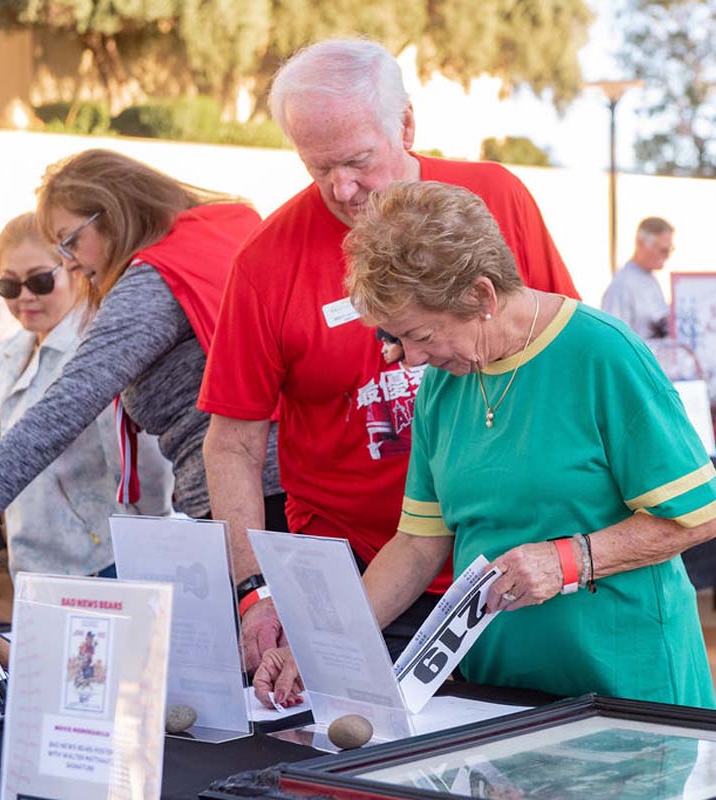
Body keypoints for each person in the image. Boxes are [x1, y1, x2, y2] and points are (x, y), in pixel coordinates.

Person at [255, 182, 716, 707]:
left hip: (627, 686)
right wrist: (324, 641)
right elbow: (417, 543)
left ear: (481, 295)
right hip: (497, 689)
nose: (409, 358)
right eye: (397, 338)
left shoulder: (603, 354)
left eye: (422, 335)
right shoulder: (443, 381)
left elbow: (699, 516)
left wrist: (569, 560)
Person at [199, 39, 580, 673]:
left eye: (357, 160)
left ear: (405, 123)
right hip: (358, 574)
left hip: (505, 560)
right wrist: (253, 592)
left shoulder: (494, 198)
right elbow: (232, 443)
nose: (342, 189)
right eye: (317, 169)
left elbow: (563, 352)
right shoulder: (267, 261)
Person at [0, 149, 287, 547]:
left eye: (70, 242)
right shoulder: (209, 239)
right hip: (276, 486)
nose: (68, 263)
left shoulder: (153, 281)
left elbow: (65, 407)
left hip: (250, 501)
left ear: (114, 215)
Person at [0, 212, 171, 593]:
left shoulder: (96, 351)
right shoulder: (10, 352)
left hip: (96, 566)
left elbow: (145, 465)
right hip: (28, 566)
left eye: (40, 280)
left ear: (75, 271)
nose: (26, 297)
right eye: (8, 285)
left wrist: (150, 543)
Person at [602, 216, 675, 339]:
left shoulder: (652, 280)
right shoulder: (622, 285)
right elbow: (614, 337)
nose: (667, 255)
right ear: (641, 243)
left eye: (670, 249)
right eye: (663, 249)